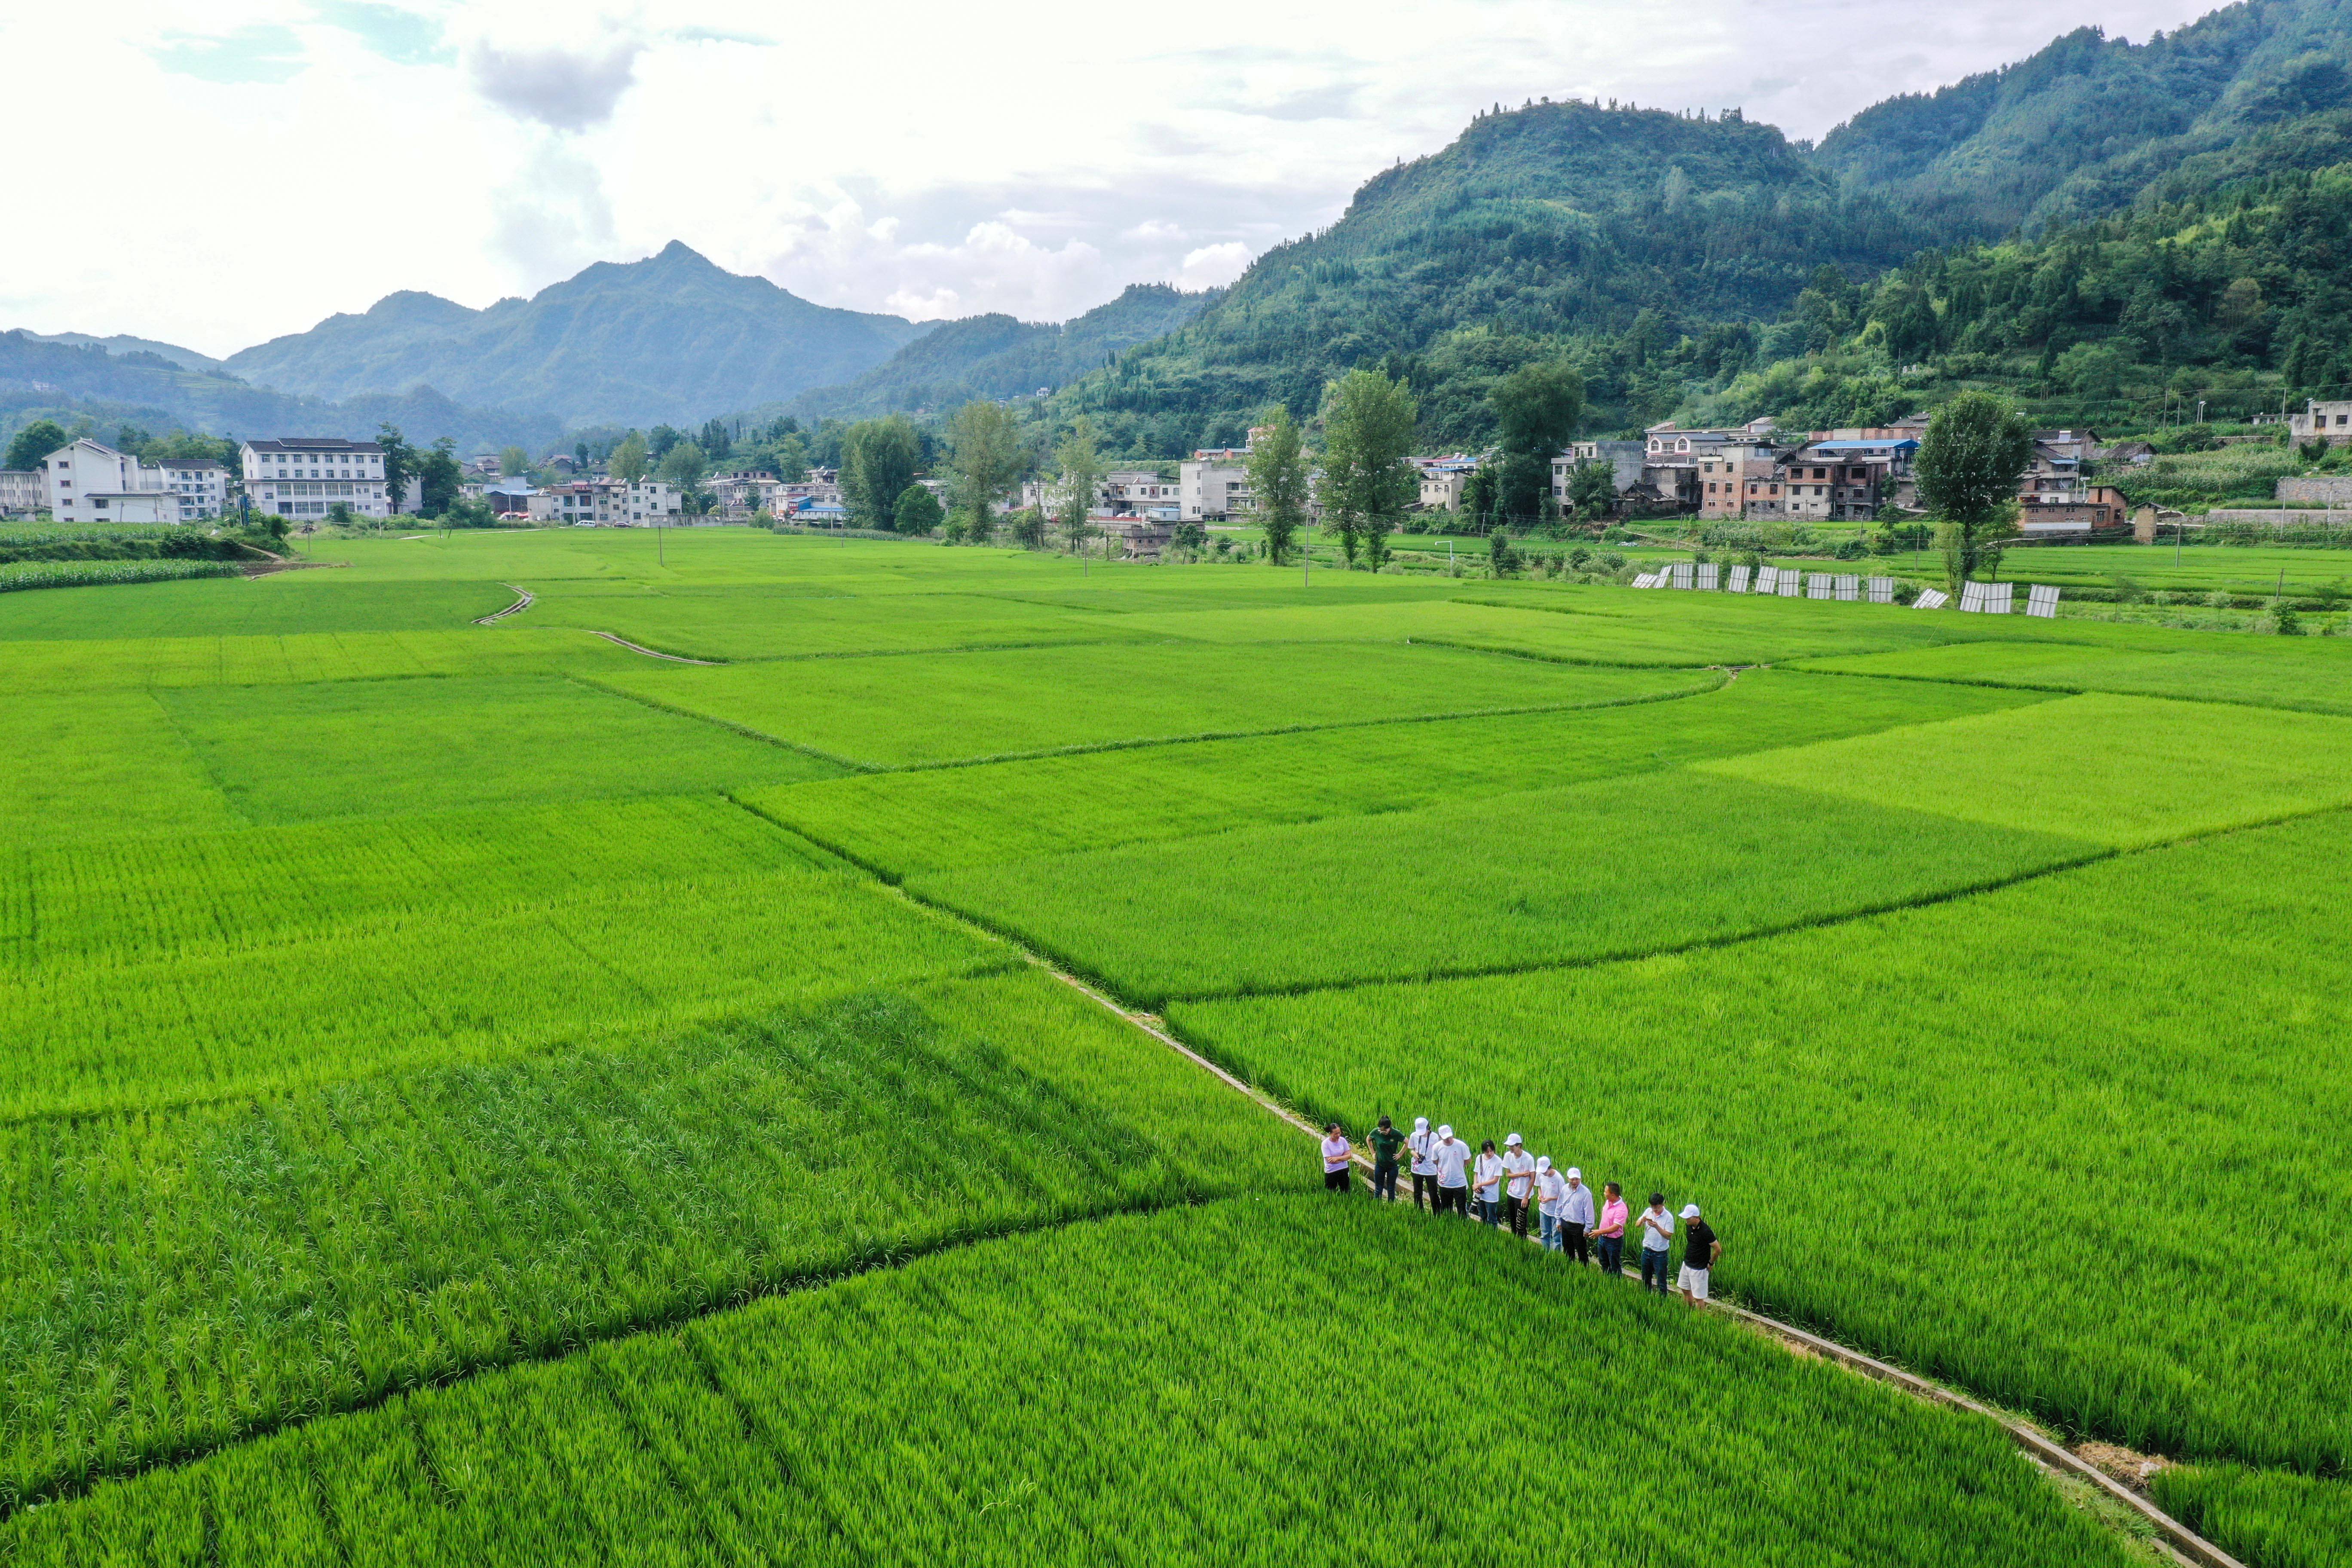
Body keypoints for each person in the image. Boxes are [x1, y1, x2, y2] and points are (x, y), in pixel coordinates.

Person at [1678, 1204, 1721, 1308]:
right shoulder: (1689, 1226)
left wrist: (1711, 1263)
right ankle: (1688, 1310)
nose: (1686, 1220)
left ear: (1696, 1218)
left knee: (1698, 1297)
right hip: (1687, 1263)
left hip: (1699, 1269)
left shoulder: (1706, 1231)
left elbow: (1718, 1249)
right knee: (1685, 1289)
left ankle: (1699, 1318)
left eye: (1688, 1218)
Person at [1637, 1191, 1675, 1296]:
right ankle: (1646, 1296)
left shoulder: (1668, 1217)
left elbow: (1668, 1235)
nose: (1655, 1210)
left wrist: (1657, 1227)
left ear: (1663, 1204)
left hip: (1660, 1254)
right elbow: (1637, 1225)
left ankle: (1663, 1301)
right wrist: (1642, 1220)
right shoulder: (1648, 1212)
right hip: (1647, 1251)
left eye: (1657, 1207)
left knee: (1661, 1281)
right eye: (1653, 1207)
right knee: (1646, 1278)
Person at [1499, 1133, 1536, 1238]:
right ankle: (1515, 1240)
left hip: (1523, 1195)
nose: (1510, 1148)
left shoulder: (1528, 1159)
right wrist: (1520, 1174)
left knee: (1521, 1222)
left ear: (1519, 1146)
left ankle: (1522, 1241)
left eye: (1512, 1146)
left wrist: (1526, 1197)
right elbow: (1508, 1175)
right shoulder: (1508, 1156)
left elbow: (1533, 1178)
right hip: (1512, 1192)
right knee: (1513, 1220)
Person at [1432, 1125, 1471, 1218]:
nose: (1449, 1140)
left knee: (1462, 1209)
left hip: (1459, 1183)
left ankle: (1463, 1226)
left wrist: (1459, 1167)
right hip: (1445, 1183)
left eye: (1450, 1137)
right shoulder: (1437, 1147)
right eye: (1446, 1138)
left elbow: (1468, 1159)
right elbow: (1435, 1161)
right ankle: (1449, 1224)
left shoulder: (1461, 1146)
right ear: (1441, 1137)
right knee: (1446, 1209)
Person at [1559, 1166, 1595, 1265]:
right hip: (1565, 1223)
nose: (1575, 1181)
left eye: (1577, 1179)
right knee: (1567, 1249)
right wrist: (1559, 1221)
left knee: (1582, 1251)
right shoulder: (1564, 1189)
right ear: (1568, 1179)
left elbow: (1589, 1213)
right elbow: (1560, 1205)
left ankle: (1584, 1270)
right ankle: (1570, 1267)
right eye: (1572, 1179)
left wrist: (1587, 1229)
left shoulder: (1586, 1193)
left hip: (1579, 1227)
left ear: (1580, 1179)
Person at [1367, 1114, 1405, 1203]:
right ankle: (1377, 1206)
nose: (1383, 1132)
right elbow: (1368, 1139)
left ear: (1390, 1128)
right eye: (1382, 1130)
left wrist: (1399, 1155)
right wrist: (1373, 1153)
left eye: (1386, 1130)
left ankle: (1391, 1206)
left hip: (1392, 1166)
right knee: (1378, 1188)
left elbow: (1407, 1142)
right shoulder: (1376, 1132)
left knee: (1391, 1189)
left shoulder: (1396, 1133)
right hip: (1380, 1165)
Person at [1592, 1182, 1628, 1275]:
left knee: (1615, 1265)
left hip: (1613, 1242)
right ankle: (1607, 1279)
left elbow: (1616, 1227)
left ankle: (1616, 1283)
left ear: (1613, 1195)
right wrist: (1601, 1234)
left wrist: (1599, 1232)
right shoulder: (1609, 1202)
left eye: (1606, 1192)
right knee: (1604, 1262)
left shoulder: (1621, 1209)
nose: (1604, 1194)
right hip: (1603, 1239)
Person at [1407, 1117, 1441, 1212]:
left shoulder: (1435, 1137)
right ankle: (1419, 1212)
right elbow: (1412, 1150)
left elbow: (1439, 1152)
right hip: (1417, 1168)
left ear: (1428, 1127)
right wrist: (1415, 1154)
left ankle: (1438, 1213)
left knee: (1433, 1193)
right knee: (1418, 1193)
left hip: (1431, 1169)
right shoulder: (1414, 1135)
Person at [1535, 1157, 1566, 1250]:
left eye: (1545, 1172)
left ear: (1550, 1168)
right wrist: (1540, 1196)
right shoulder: (1540, 1175)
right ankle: (1546, 1253)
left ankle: (1556, 1257)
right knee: (1544, 1234)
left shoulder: (1558, 1179)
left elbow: (1563, 1196)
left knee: (1556, 1237)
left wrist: (1550, 1199)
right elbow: (1539, 1187)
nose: (1544, 1174)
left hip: (1555, 1212)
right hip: (1544, 1210)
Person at [1471, 1139, 1504, 1227]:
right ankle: (1484, 1232)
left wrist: (1479, 1185)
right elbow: (1476, 1173)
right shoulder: (1480, 1158)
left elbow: (1495, 1180)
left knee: (1492, 1218)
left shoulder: (1498, 1161)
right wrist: (1476, 1185)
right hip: (1480, 1193)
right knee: (1483, 1216)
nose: (1490, 1154)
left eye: (1491, 1151)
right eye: (1487, 1152)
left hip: (1491, 1195)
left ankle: (1493, 1234)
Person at [1320, 1123, 1352, 1193]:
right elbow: (1330, 1161)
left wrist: (1337, 1158)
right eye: (1335, 1134)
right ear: (1330, 1134)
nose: (1338, 1135)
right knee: (1331, 1192)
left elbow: (1349, 1155)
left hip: (1344, 1169)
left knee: (1345, 1191)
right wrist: (1344, 1157)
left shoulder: (1343, 1140)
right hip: (1332, 1171)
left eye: (1339, 1133)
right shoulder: (1325, 1144)